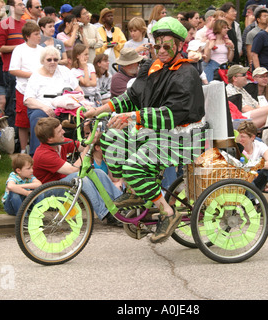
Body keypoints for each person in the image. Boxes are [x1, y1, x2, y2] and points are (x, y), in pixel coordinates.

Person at [83, 17, 206, 243]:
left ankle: (169, 213)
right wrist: (99, 109)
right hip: (158, 132)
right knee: (111, 137)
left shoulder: (187, 73)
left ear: (179, 46)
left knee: (133, 167)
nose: (160, 50)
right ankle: (135, 192)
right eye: (157, 45)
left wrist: (133, 116)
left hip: (183, 136)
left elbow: (171, 114)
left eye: (166, 45)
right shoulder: (151, 67)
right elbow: (132, 97)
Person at [32, 117, 123, 226]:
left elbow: (81, 146)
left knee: (98, 173)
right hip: (49, 194)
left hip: (64, 187)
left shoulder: (60, 143)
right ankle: (106, 214)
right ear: (50, 139)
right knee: (80, 178)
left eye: (62, 129)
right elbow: (73, 170)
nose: (64, 132)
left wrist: (91, 139)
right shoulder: (43, 154)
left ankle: (121, 206)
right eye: (59, 131)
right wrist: (89, 146)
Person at [24, 45, 83, 157]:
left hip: (65, 106)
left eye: (55, 59)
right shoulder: (36, 76)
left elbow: (79, 91)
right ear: (43, 61)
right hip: (43, 107)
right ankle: (38, 156)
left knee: (84, 115)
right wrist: (44, 107)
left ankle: (80, 153)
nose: (52, 62)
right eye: (49, 60)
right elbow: (28, 100)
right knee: (38, 117)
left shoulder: (65, 71)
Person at [9, 21, 43, 154]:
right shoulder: (19, 50)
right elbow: (13, 70)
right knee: (23, 122)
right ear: (28, 36)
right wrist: (33, 75)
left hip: (39, 91)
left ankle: (37, 148)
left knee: (37, 119)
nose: (39, 37)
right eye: (36, 34)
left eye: (39, 34)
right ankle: (23, 149)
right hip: (23, 90)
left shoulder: (42, 50)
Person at [0, 0, 27, 127]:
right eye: (20, 4)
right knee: (13, 104)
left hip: (26, 69)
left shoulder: (25, 24)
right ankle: (12, 135)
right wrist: (20, 47)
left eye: (23, 4)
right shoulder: (4, 24)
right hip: (11, 70)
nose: (23, 7)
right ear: (11, 7)